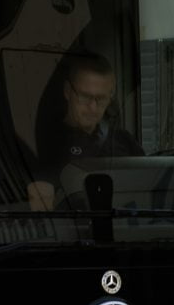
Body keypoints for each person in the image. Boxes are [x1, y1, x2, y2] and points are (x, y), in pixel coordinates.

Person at [28, 50, 143, 210]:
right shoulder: (47, 144)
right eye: (84, 96)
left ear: (111, 96)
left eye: (101, 99)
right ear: (68, 91)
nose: (93, 107)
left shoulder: (124, 140)